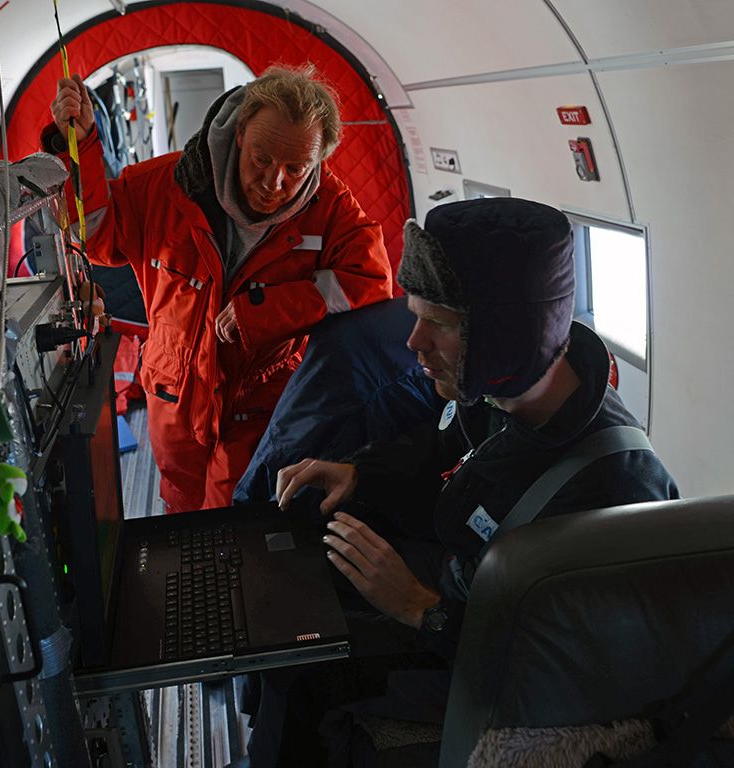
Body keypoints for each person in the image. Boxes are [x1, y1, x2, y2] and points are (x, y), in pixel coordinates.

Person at [249, 197, 679, 767]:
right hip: (464, 583)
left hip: (496, 662)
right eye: (416, 315)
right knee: (297, 568)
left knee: (305, 669)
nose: (413, 342)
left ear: (504, 333)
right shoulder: (501, 394)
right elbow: (441, 448)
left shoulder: (617, 487)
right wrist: (359, 474)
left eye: (440, 324)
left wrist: (422, 609)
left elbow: (594, 669)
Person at [42, 65, 394, 512]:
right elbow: (93, 236)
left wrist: (263, 311)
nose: (275, 182)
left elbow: (371, 281)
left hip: (262, 405)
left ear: (318, 160)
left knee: (236, 525)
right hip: (176, 398)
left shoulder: (333, 208)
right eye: (262, 159)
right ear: (241, 133)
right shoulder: (164, 185)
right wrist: (83, 146)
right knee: (182, 517)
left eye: (295, 168)